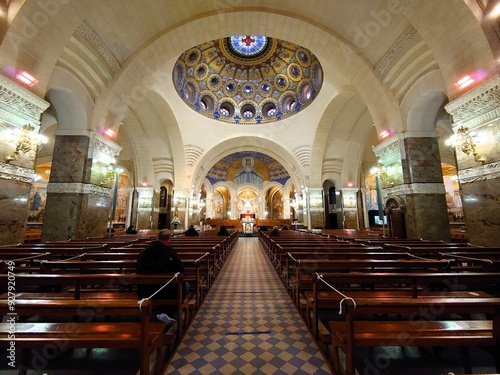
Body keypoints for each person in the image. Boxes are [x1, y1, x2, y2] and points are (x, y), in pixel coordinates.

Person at [136, 229, 190, 324]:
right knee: (185, 286)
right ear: (169, 239)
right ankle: (168, 311)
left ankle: (162, 312)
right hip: (167, 289)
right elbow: (181, 269)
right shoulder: (170, 252)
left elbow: (138, 269)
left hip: (145, 290)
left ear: (157, 237)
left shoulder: (144, 252)